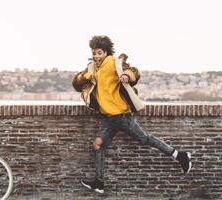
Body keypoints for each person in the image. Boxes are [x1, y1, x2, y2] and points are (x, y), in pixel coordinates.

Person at [72, 35, 192, 194]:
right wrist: (86, 76)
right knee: (98, 145)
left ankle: (181, 156)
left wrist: (126, 76)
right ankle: (99, 183)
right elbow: (76, 83)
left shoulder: (113, 62)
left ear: (106, 52)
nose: (96, 56)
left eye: (99, 53)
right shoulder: (93, 68)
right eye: (94, 53)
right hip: (109, 118)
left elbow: (133, 71)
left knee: (145, 139)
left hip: (121, 116)